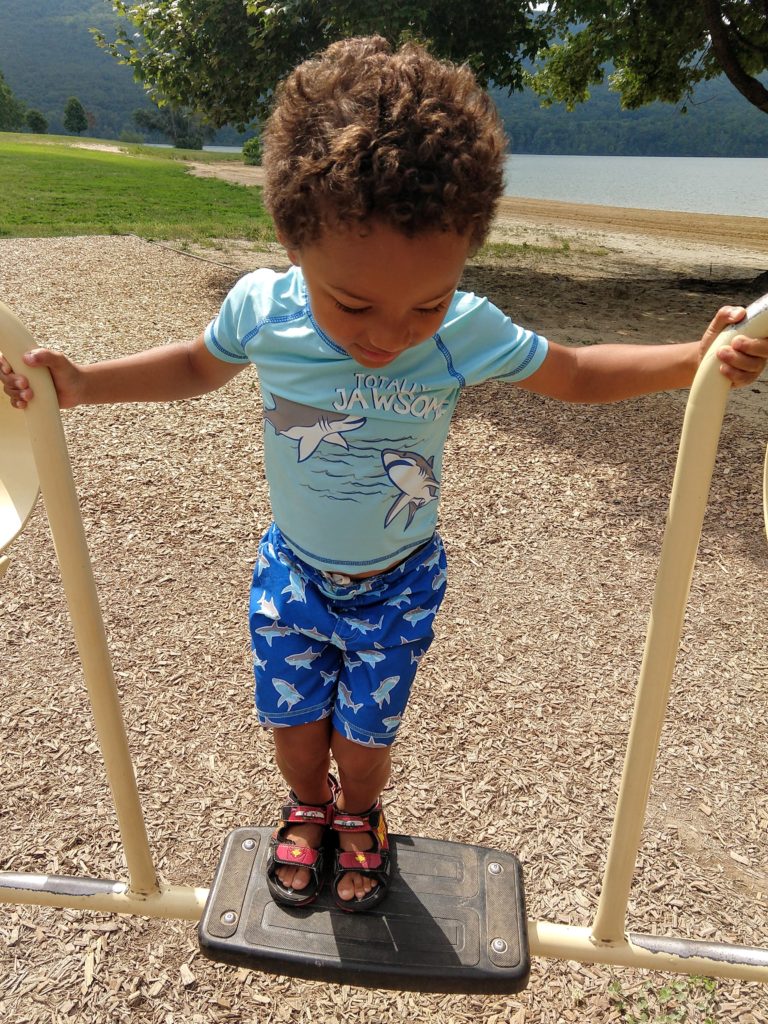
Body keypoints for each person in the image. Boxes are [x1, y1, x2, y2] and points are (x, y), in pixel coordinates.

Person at [2, 36, 767, 914]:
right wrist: (86, 385)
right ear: (292, 243)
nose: (392, 333)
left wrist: (694, 360)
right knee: (293, 731)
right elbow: (194, 367)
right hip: (292, 571)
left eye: (428, 302)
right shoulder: (264, 308)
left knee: (364, 743)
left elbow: (580, 371)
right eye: (355, 304)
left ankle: (361, 815)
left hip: (399, 583)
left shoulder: (466, 331)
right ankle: (307, 807)